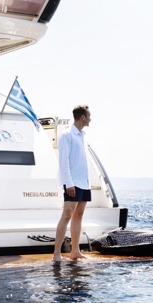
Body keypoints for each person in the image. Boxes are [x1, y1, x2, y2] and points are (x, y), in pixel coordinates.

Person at [53, 105, 92, 262]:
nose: (91, 118)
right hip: (72, 183)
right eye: (89, 115)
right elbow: (64, 162)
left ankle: (75, 251)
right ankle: (56, 254)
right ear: (83, 116)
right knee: (67, 215)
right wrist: (68, 183)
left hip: (84, 183)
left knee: (79, 216)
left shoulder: (84, 136)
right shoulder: (67, 135)